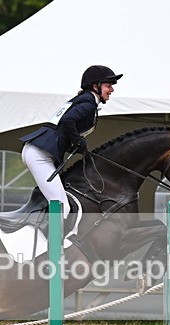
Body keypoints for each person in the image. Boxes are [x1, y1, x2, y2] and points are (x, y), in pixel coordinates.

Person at [19, 65, 122, 219]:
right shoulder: (88, 102)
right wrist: (78, 141)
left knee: (62, 200)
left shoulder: (83, 100)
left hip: (38, 151)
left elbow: (62, 129)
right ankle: (49, 235)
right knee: (61, 206)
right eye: (109, 86)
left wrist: (75, 144)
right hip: (39, 155)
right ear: (96, 86)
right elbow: (68, 120)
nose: (112, 90)